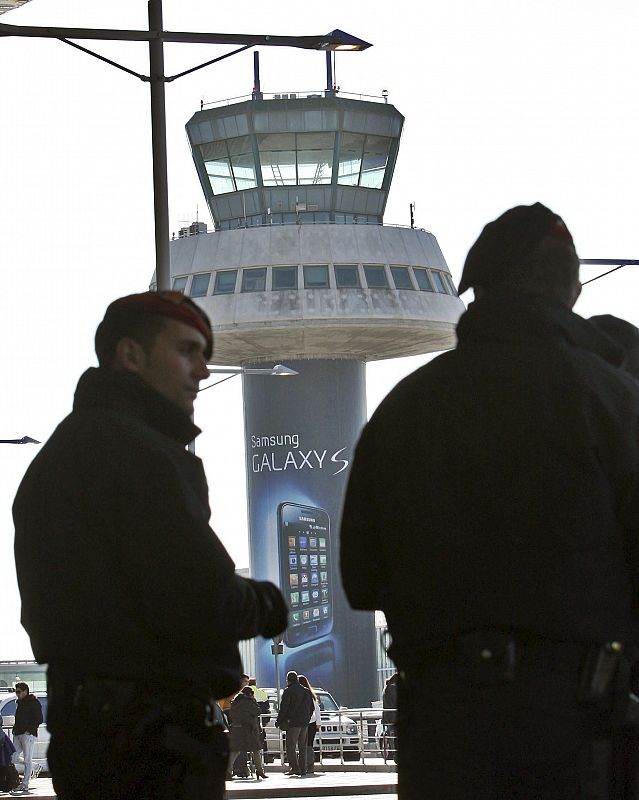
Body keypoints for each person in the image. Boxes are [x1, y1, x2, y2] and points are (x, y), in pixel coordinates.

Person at [340, 203, 639, 800]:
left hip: (444, 728)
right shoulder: (612, 400)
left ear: (479, 290)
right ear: (572, 285)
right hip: (577, 723)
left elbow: (360, 579)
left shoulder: (404, 409)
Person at [13, 291, 288, 800]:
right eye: (187, 350)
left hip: (89, 727)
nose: (204, 370)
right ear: (131, 354)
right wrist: (270, 603)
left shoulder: (57, 458)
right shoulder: (140, 456)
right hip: (154, 740)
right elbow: (200, 597)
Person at [275, 671, 313, 776]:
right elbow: (311, 707)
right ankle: (303, 769)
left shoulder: (288, 691)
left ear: (288, 680)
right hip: (304, 723)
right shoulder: (306, 691)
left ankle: (295, 768)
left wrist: (279, 721)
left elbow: (284, 708)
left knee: (290, 746)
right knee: (302, 747)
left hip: (293, 722)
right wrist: (307, 718)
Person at [226, 687, 267, 780]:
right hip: (249, 729)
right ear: (251, 694)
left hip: (237, 729)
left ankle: (227, 771)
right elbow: (257, 711)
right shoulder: (249, 701)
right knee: (256, 750)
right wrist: (254, 701)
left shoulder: (235, 702)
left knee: (235, 751)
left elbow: (232, 715)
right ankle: (259, 771)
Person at [10, 683, 43, 795]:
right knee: (12, 757)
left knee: (27, 758)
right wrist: (15, 730)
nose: (17, 694)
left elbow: (39, 718)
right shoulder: (19, 703)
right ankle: (34, 766)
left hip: (28, 734)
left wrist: (29, 730)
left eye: (18, 692)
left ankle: (24, 784)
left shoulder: (34, 702)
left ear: (25, 691)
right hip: (18, 734)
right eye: (16, 692)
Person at [298, 674, 320, 774]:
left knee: (305, 744)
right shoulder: (310, 694)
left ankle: (307, 765)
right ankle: (309, 765)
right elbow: (317, 709)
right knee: (309, 744)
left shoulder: (304, 694)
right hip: (312, 722)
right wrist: (318, 723)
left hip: (306, 722)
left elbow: (316, 709)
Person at [381, 672, 398, 763]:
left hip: (389, 717)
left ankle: (394, 754)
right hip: (395, 717)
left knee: (393, 736)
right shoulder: (393, 688)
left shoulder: (387, 687)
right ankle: (396, 755)